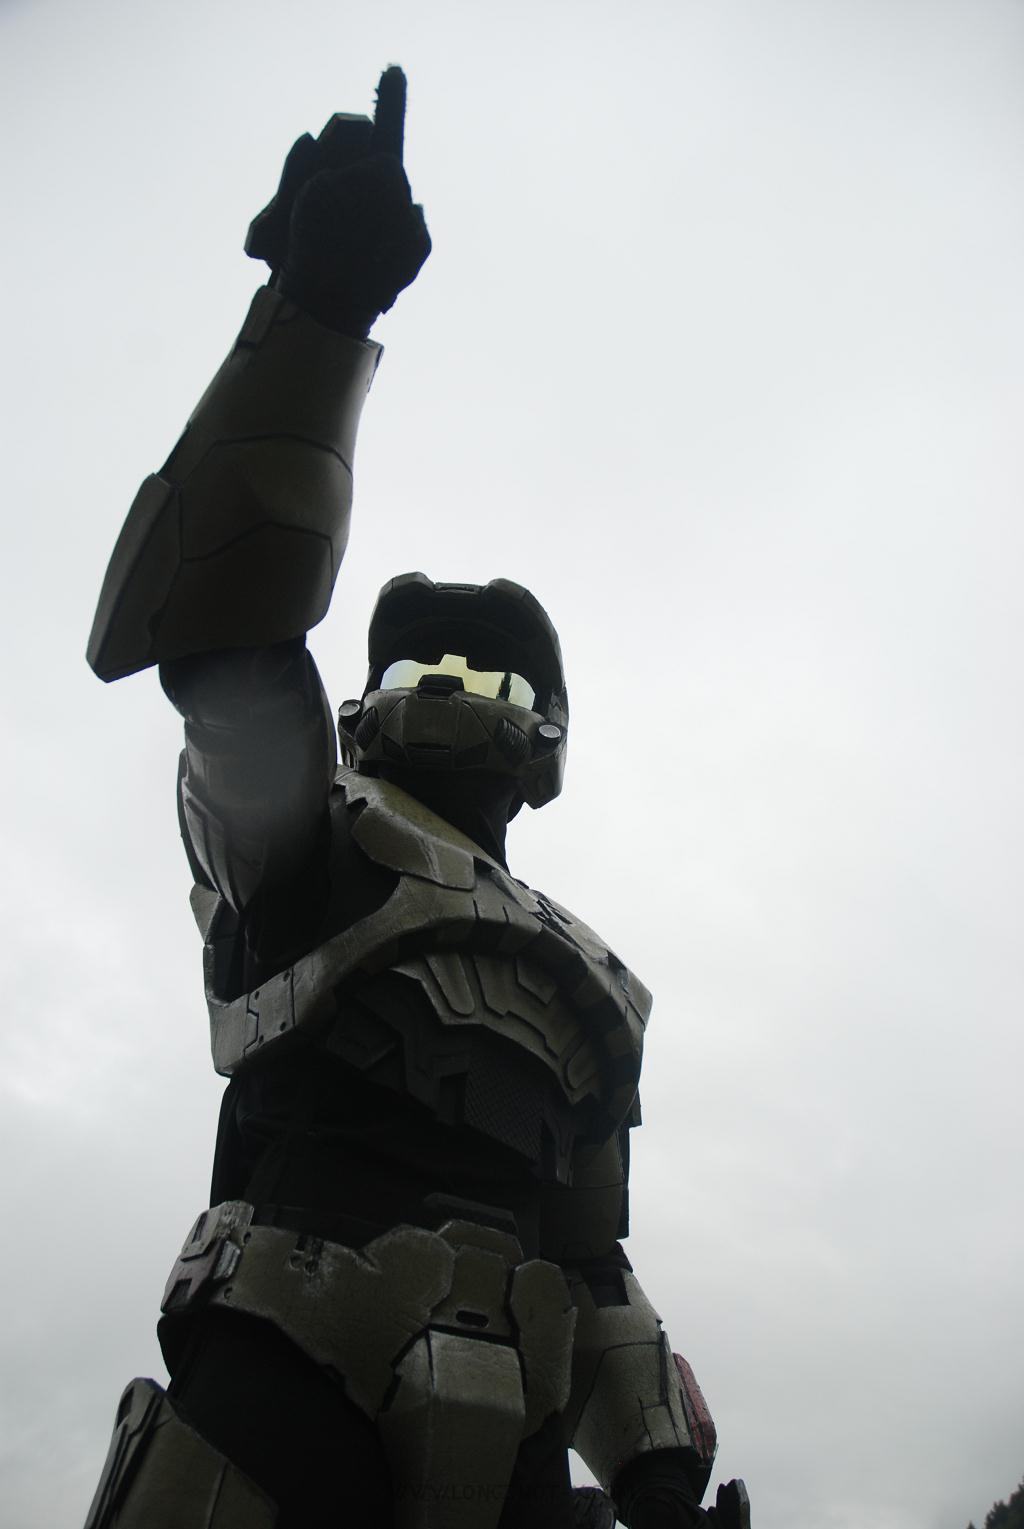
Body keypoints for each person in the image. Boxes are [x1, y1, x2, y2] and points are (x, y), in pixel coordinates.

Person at [84, 67, 749, 1529]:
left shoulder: (588, 987)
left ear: (543, 735)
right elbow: (223, 642)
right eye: (419, 665)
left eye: (489, 676)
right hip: (286, 1383)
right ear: (366, 703)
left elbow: (591, 1257)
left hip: (511, 1428)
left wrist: (655, 1467)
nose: (451, 688)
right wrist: (317, 322)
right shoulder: (314, 844)